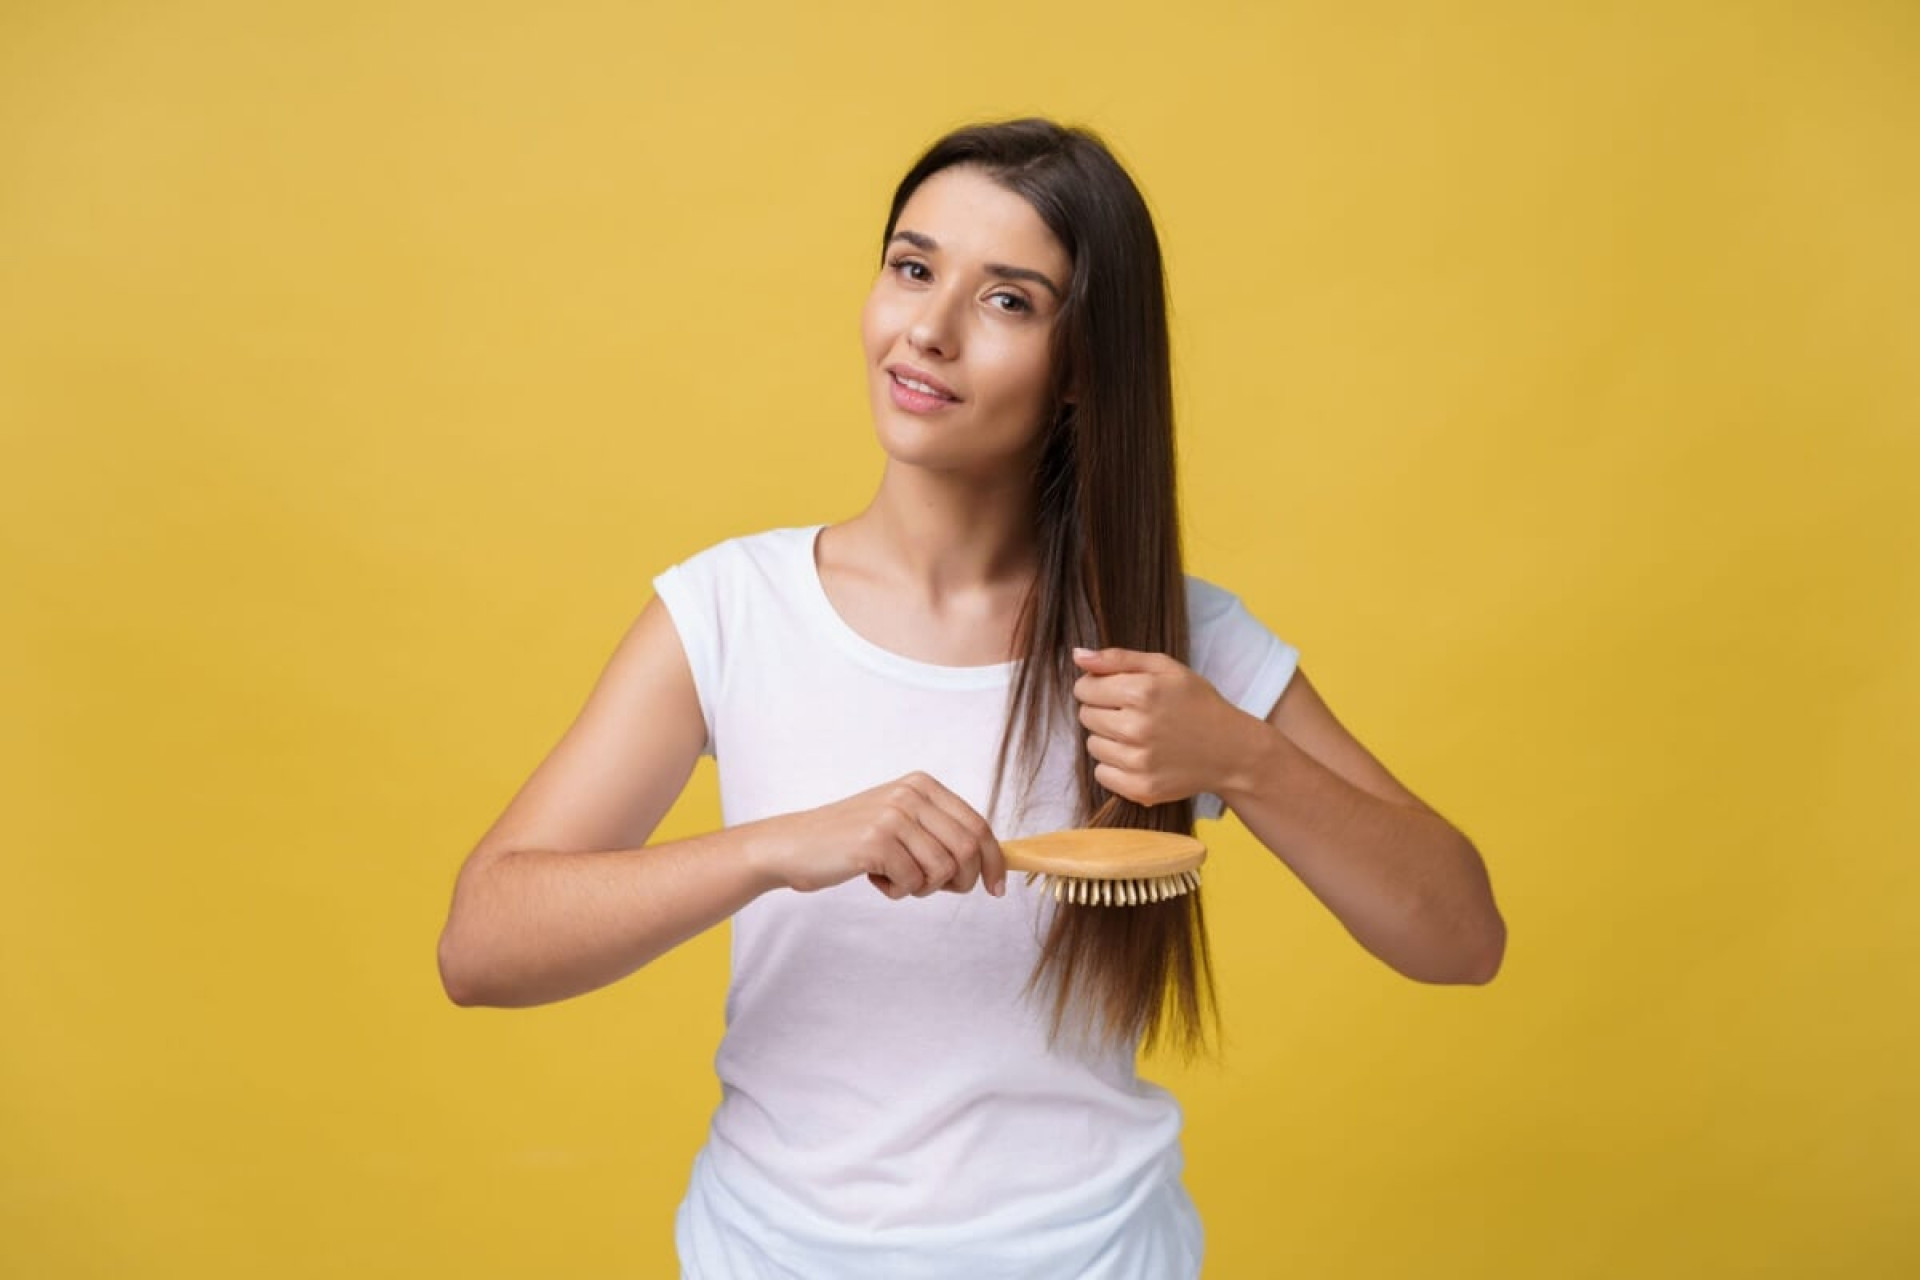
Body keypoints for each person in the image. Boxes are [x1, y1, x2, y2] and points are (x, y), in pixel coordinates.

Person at [436, 117, 1506, 1279]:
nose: (927, 331)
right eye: (912, 267)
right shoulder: (729, 610)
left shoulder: (1175, 636)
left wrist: (1245, 757)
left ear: (1082, 368)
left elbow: (1460, 936)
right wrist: (782, 845)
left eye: (1007, 301)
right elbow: (482, 946)